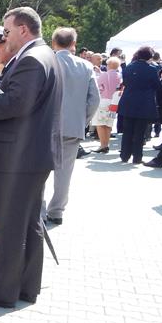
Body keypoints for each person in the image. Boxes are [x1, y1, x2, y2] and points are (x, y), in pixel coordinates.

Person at [0, 6, 61, 308]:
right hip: (29, 155)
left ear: (23, 29)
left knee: (8, 227)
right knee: (28, 223)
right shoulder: (44, 55)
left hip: (18, 157)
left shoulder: (32, 59)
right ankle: (25, 286)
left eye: (7, 31)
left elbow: (18, 102)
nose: (4, 37)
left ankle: (2, 290)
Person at [45, 27, 100, 225]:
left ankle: (37, 210)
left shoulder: (46, 62)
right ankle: (57, 211)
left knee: (39, 171)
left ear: (53, 43)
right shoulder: (86, 66)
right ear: (74, 45)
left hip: (45, 127)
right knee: (65, 173)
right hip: (72, 126)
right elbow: (94, 99)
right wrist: (82, 120)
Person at [117, 47, 161, 164]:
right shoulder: (152, 69)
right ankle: (137, 157)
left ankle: (124, 155)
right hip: (144, 103)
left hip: (128, 101)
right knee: (140, 132)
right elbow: (158, 86)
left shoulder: (128, 67)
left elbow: (125, 82)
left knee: (127, 131)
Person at [92, 57, 122, 153]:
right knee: (109, 123)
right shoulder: (119, 76)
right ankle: (106, 144)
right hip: (114, 102)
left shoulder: (104, 75)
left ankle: (103, 145)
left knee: (100, 123)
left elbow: (97, 85)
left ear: (109, 65)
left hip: (103, 100)